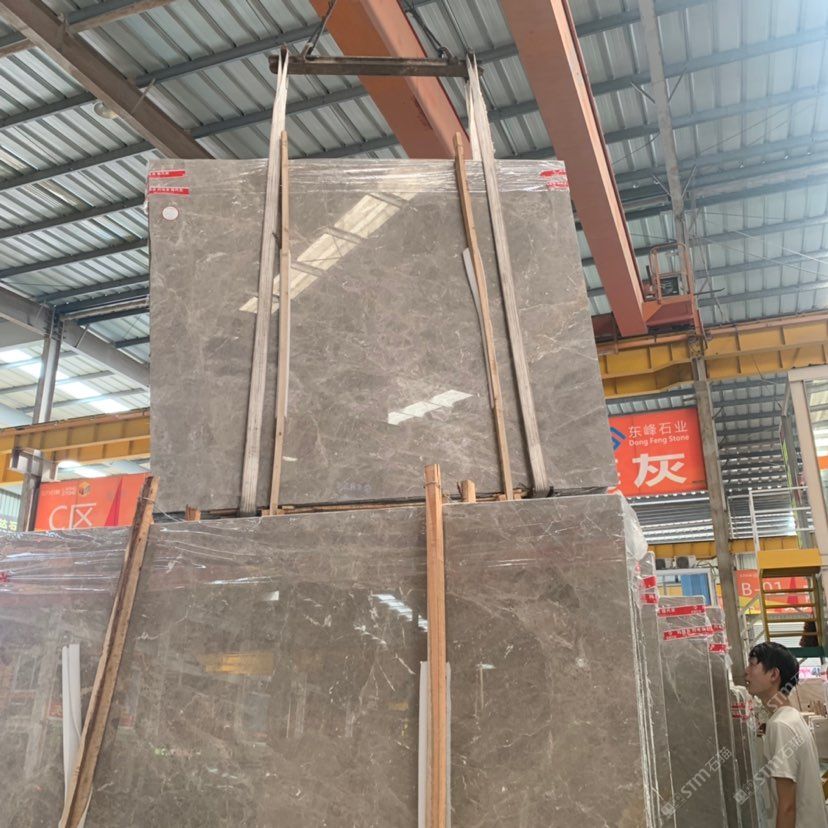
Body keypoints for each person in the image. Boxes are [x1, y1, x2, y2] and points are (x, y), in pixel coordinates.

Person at [745, 641, 828, 828]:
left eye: (752, 664)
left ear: (774, 674)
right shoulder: (792, 717)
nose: (746, 672)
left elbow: (787, 807)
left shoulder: (780, 725)